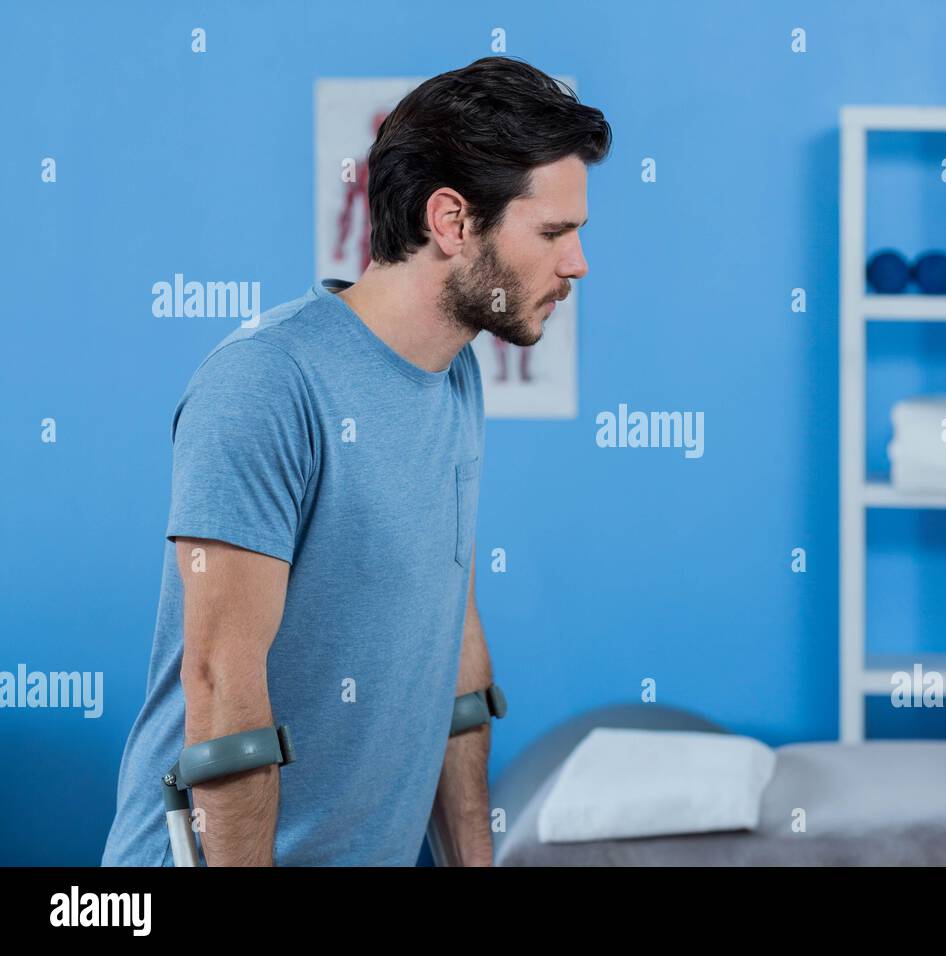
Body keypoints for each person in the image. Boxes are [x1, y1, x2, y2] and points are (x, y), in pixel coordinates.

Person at [101, 56, 611, 866]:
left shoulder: (456, 374)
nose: (577, 263)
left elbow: (452, 634)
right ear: (452, 222)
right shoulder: (267, 381)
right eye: (553, 233)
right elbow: (220, 687)